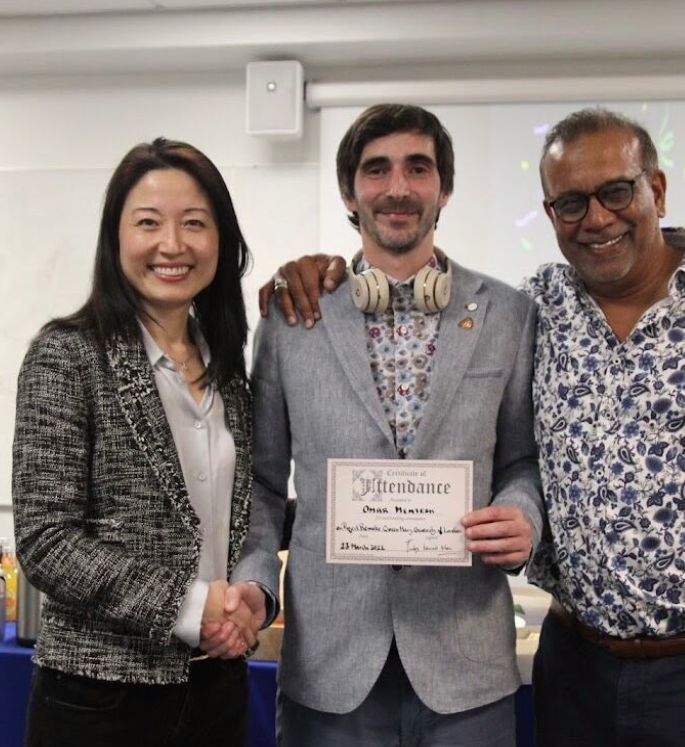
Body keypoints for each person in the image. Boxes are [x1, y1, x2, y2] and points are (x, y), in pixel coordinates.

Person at [264, 107, 685, 747]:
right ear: (550, 215)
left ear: (655, 189)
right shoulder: (537, 307)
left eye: (615, 191)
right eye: (571, 202)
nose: (596, 218)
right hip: (575, 667)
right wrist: (314, 271)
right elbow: (520, 455)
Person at [232, 103, 544, 747]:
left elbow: (522, 462)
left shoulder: (508, 316)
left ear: (444, 189)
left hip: (467, 666)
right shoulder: (292, 319)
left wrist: (523, 517)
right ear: (350, 192)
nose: (397, 188)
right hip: (330, 667)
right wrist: (257, 582)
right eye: (376, 170)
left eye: (417, 168)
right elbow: (259, 483)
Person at [12, 137, 266, 747]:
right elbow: (46, 540)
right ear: (116, 238)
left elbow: (245, 515)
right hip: (100, 698)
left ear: (222, 242)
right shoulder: (67, 355)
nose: (172, 245)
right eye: (148, 223)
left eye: (195, 224)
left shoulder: (229, 369)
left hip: (216, 688)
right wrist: (190, 606)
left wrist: (253, 601)